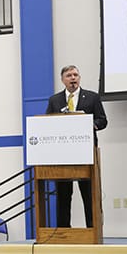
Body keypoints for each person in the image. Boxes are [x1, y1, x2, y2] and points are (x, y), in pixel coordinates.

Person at [45, 65, 108, 228]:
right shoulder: (55, 100)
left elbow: (102, 120)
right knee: (63, 196)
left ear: (79, 78)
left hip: (86, 153)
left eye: (75, 75)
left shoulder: (92, 97)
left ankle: (92, 230)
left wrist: (90, 125)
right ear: (62, 79)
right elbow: (47, 123)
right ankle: (64, 233)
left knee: (89, 195)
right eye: (69, 75)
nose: (73, 78)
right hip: (63, 155)